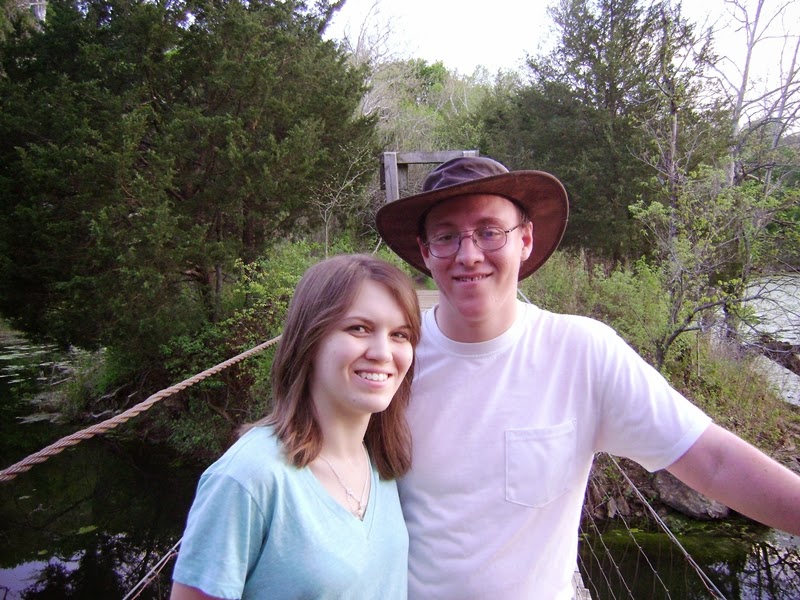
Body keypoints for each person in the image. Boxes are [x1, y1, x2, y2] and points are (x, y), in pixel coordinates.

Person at [375, 156, 800, 599]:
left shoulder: (581, 353)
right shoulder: (392, 359)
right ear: (426, 252)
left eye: (489, 231)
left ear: (525, 240)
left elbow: (713, 461)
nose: (469, 254)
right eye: (446, 236)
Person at [170, 254, 421, 600]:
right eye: (358, 328)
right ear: (310, 340)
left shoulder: (379, 462)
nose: (382, 352)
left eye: (400, 334)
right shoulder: (248, 479)